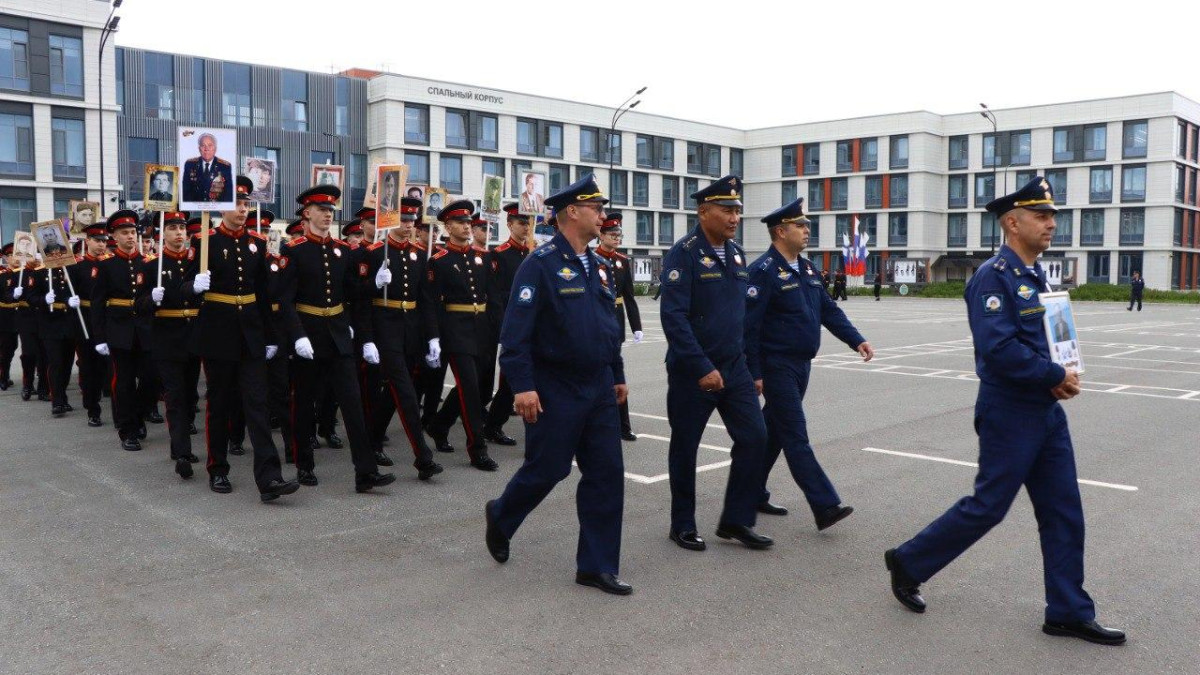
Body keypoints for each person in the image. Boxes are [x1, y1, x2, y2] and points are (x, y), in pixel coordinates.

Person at [885, 176, 1125, 646]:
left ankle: (1067, 611)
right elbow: (998, 349)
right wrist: (1052, 374)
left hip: (1045, 411)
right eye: (1041, 215)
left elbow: (1046, 338)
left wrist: (1063, 369)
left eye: (1052, 215)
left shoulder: (1035, 275)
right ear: (1013, 223)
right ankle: (909, 561)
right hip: (1010, 411)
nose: (1051, 223)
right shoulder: (993, 277)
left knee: (1063, 510)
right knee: (989, 506)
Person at [485, 174, 632, 595]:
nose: (602, 216)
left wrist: (617, 374)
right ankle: (502, 514)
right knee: (548, 469)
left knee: (606, 475)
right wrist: (523, 386)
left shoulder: (600, 266)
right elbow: (515, 335)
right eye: (596, 209)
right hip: (556, 386)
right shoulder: (540, 264)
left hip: (598, 386)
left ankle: (596, 566)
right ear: (572, 211)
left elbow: (608, 327)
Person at [659, 174, 772, 552]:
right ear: (703, 212)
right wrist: (701, 366)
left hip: (735, 367)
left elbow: (743, 318)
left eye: (737, 211)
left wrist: (752, 368)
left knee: (755, 438)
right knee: (685, 446)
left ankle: (736, 520)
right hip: (693, 370)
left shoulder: (737, 253)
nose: (735, 217)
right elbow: (674, 318)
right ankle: (682, 524)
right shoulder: (684, 253)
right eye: (727, 210)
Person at [745, 198, 871, 528]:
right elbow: (749, 327)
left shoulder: (808, 269)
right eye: (800, 225)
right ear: (780, 231)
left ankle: (750, 491)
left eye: (806, 225)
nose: (806, 230)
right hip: (776, 365)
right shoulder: (763, 271)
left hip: (802, 365)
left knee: (774, 432)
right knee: (795, 434)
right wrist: (754, 371)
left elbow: (828, 310)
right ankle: (824, 504)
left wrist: (855, 339)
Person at [180, 177, 299, 502]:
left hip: (251, 334)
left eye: (247, 204)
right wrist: (195, 286)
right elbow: (182, 288)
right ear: (222, 208)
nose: (243, 209)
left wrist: (271, 336)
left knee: (257, 405)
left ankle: (270, 478)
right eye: (237, 204)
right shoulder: (204, 242)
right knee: (219, 404)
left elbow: (263, 296)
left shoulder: (257, 243)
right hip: (217, 333)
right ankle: (217, 468)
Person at [276, 184, 395, 493]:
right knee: (304, 402)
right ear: (307, 213)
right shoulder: (294, 250)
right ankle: (304, 463)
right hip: (309, 334)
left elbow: (352, 292)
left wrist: (374, 283)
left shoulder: (343, 250)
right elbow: (285, 300)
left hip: (339, 334)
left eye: (330, 210)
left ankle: (365, 472)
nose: (328, 215)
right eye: (322, 210)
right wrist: (297, 336)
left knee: (353, 405)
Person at [361, 196, 444, 480]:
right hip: (385, 327)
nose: (409, 226)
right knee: (406, 392)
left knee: (393, 392)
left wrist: (432, 337)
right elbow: (360, 300)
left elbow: (426, 300)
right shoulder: (374, 253)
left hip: (411, 329)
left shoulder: (419, 254)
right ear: (391, 221)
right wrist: (374, 284)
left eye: (412, 221)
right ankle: (423, 457)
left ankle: (372, 440)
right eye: (404, 220)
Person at [421, 199, 500, 471]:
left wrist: (499, 327)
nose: (467, 227)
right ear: (448, 227)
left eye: (469, 222)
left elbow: (494, 297)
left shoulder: (484, 258)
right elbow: (431, 303)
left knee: (477, 386)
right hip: (455, 330)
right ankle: (478, 449)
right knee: (469, 388)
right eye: (461, 222)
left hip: (482, 329)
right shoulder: (439, 261)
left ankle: (439, 424)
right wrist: (433, 336)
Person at [144, 210, 202, 478]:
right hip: (167, 338)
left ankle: (179, 444)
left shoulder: (196, 261)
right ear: (162, 233)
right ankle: (182, 453)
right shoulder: (152, 265)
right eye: (173, 228)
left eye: (182, 228)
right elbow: (138, 305)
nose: (179, 233)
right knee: (175, 397)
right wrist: (150, 300)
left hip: (194, 336)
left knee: (190, 396)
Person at [91, 209, 154, 451]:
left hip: (145, 330)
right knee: (124, 383)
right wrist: (99, 337)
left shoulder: (148, 263)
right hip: (119, 331)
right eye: (125, 233)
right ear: (114, 237)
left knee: (151, 379)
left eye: (132, 232)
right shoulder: (106, 265)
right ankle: (128, 430)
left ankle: (138, 415)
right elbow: (98, 304)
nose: (130, 236)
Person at [483, 203, 532, 446]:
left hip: (531, 323)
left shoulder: (532, 254)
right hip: (510, 323)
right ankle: (493, 425)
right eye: (521, 223)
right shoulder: (499, 255)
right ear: (510, 224)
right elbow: (495, 295)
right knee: (510, 379)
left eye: (528, 223)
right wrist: (505, 326)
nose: (526, 228)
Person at [593, 212, 643, 441]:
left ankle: (623, 426)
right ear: (601, 235)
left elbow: (629, 297)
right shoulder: (592, 259)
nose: (616, 238)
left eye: (618, 235)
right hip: (597, 322)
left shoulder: (623, 261)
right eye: (612, 234)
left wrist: (636, 326)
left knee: (616, 373)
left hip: (616, 322)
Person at [181, 133, 233, 203]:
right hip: (195, 207)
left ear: (215, 149)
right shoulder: (190, 165)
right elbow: (185, 192)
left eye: (210, 145)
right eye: (203, 145)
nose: (206, 149)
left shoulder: (225, 167)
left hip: (217, 208)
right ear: (199, 149)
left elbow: (228, 195)